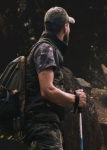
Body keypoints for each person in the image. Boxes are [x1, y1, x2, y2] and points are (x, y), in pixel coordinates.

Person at [23, 6, 86, 150]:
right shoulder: (46, 49)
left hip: (44, 124)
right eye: (68, 25)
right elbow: (47, 90)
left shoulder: (46, 48)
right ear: (65, 27)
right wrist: (75, 99)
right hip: (42, 126)